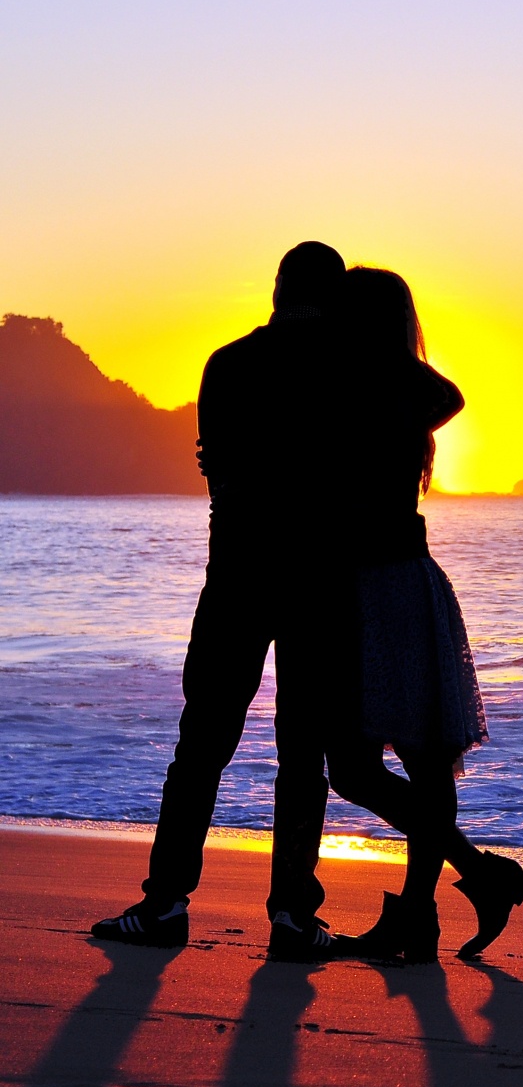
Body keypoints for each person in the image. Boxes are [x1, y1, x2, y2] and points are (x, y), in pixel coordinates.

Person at [91, 241, 357, 958]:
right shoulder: (348, 368)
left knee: (202, 744)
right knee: (302, 757)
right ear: (334, 297)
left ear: (275, 289)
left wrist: (261, 474)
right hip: (315, 582)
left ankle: (166, 904)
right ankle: (293, 918)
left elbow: (223, 475)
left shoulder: (228, 363)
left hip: (237, 574)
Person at [325, 268, 523, 961]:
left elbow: (447, 392)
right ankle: (477, 875)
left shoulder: (384, 389)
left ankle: (424, 911)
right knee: (361, 769)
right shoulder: (360, 388)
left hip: (390, 590)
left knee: (409, 761)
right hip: (371, 590)